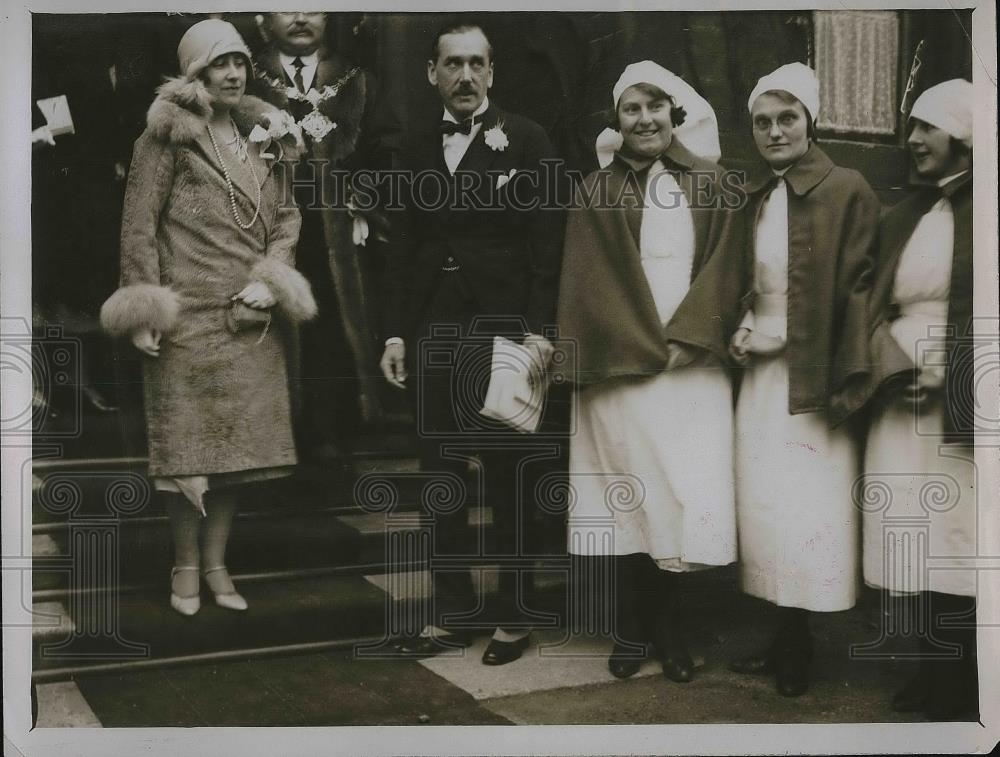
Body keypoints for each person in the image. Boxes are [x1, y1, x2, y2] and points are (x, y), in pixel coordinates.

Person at [100, 20, 316, 616]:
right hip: (187, 319)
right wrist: (143, 307)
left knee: (234, 456)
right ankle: (186, 564)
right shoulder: (164, 138)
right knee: (188, 453)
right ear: (193, 72)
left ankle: (217, 563)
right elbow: (139, 226)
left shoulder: (266, 132)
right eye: (220, 63)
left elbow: (288, 217)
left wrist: (271, 280)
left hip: (250, 317)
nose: (233, 74)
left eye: (240, 62)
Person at [379, 23, 563, 666]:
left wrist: (539, 330)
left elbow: (548, 244)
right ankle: (452, 613)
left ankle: (515, 615)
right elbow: (401, 247)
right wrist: (396, 332)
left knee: (511, 475)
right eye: (452, 64)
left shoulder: (528, 139)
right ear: (431, 73)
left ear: (492, 72)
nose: (465, 76)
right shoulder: (414, 145)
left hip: (505, 328)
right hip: (435, 327)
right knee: (442, 475)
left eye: (476, 64)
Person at [557, 61, 742, 683]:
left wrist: (694, 335)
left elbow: (727, 268)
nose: (645, 119)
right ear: (617, 120)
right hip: (623, 369)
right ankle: (632, 629)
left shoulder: (713, 183)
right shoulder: (596, 190)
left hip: (690, 366)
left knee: (678, 495)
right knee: (627, 496)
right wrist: (636, 345)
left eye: (655, 106)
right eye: (632, 109)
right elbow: (589, 283)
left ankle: (671, 627)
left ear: (674, 113)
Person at [724, 63, 879, 696]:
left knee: (808, 506)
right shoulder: (759, 195)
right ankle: (781, 632)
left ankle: (801, 645)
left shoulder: (847, 189)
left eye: (787, 118)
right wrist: (744, 323)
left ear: (810, 121)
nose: (774, 132)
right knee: (767, 504)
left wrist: (787, 336)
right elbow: (751, 278)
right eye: (762, 122)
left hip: (815, 374)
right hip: (762, 378)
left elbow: (858, 285)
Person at [862, 79, 978, 720]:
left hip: (963, 393)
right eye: (911, 127)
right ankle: (931, 668)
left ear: (962, 135)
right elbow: (873, 299)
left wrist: (951, 372)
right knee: (914, 525)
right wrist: (886, 361)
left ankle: (964, 678)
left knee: (959, 531)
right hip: (901, 388)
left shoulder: (987, 211)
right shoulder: (908, 212)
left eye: (926, 127)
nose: (912, 139)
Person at [253, 11, 402, 464]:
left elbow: (388, 152)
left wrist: (361, 198)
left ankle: (330, 431)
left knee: (333, 331)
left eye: (313, 6)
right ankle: (277, 433)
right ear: (264, 17)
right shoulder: (246, 78)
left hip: (335, 233)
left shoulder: (358, 83)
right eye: (287, 6)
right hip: (265, 233)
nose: (301, 17)